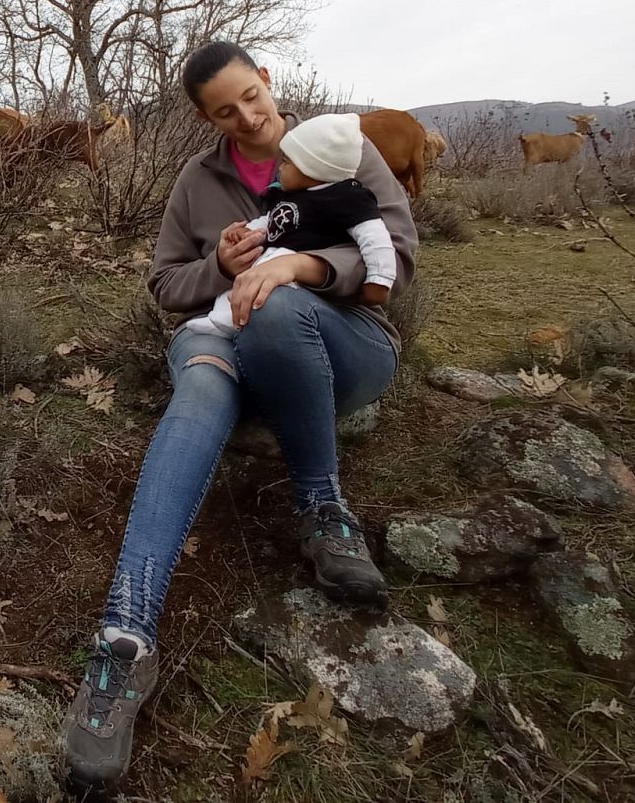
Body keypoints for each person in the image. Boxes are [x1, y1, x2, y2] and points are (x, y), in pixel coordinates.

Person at [61, 41, 418, 793]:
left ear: (268, 80)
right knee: (198, 382)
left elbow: (399, 259)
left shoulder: (341, 146)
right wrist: (222, 267)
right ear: (206, 118)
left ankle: (323, 508)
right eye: (226, 111)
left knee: (280, 305)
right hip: (223, 345)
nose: (248, 117)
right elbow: (165, 283)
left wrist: (298, 267)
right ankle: (124, 639)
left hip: (341, 348)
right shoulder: (199, 181)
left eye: (252, 96)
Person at [185, 111, 397, 338]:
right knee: (245, 283)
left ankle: (229, 324)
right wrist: (247, 232)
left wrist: (379, 280)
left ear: (313, 168)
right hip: (272, 261)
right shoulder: (289, 194)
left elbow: (375, 239)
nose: (280, 168)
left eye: (286, 162)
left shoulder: (347, 198)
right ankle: (221, 320)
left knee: (263, 295)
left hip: (304, 283)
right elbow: (271, 221)